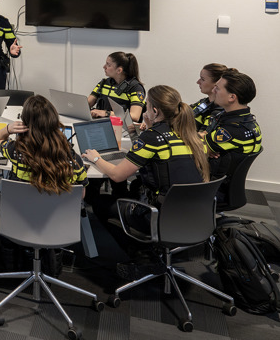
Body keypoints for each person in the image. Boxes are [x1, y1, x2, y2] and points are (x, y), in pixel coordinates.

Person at [82, 85, 210, 261]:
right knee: (133, 188)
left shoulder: (152, 138)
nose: (144, 108)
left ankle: (141, 256)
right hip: (195, 214)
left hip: (161, 216)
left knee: (98, 202)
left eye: (147, 105)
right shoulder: (191, 135)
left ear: (155, 110)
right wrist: (148, 129)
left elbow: (118, 175)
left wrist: (96, 158)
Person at [0, 95, 88, 195]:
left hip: (22, 209)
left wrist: (8, 128)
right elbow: (81, 194)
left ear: (25, 123)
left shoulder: (16, 151)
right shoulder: (73, 159)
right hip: (60, 210)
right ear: (55, 121)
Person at [203, 69, 262, 183]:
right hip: (218, 182)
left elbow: (197, 148)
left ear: (232, 97)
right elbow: (204, 140)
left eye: (218, 88)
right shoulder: (244, 120)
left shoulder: (234, 129)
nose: (213, 90)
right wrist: (205, 142)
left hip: (214, 187)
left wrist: (203, 142)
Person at [87, 51, 145, 122]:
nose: (104, 67)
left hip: (123, 129)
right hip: (102, 124)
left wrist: (106, 113)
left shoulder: (135, 88)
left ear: (119, 70)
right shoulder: (104, 83)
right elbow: (87, 104)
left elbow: (135, 116)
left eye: (108, 65)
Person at [190, 62, 228, 131]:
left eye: (202, 79)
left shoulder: (220, 112)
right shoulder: (204, 102)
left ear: (217, 84)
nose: (198, 82)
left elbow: (201, 137)